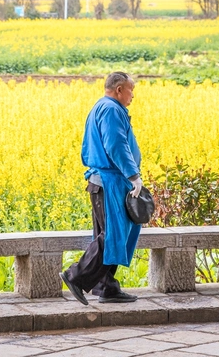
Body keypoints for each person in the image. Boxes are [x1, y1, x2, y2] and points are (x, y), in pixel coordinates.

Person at [61, 71, 143, 305]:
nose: (132, 95)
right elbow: (116, 145)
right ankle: (75, 276)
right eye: (131, 90)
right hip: (110, 182)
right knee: (112, 236)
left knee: (110, 234)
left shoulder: (104, 107)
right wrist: (133, 175)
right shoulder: (110, 109)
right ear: (119, 90)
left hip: (106, 182)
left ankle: (107, 286)